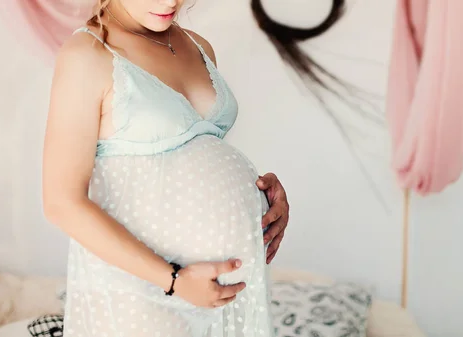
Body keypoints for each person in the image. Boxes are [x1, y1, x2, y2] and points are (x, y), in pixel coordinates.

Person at [41, 0, 290, 336]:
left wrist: (259, 193)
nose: (171, 1)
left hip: (227, 293)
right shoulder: (88, 54)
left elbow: (198, 152)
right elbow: (62, 203)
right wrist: (174, 280)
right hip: (145, 294)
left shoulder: (198, 45)